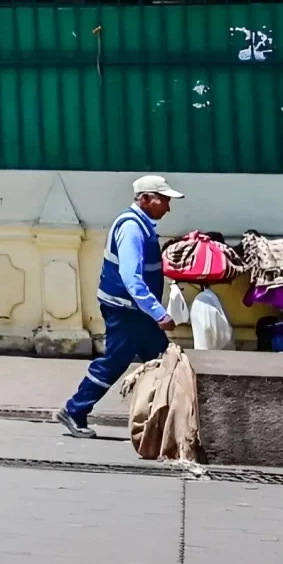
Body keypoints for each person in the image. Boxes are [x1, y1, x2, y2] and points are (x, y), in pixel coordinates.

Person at [58, 175, 181, 438]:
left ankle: (165, 418)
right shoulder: (132, 228)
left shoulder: (142, 225)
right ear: (146, 199)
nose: (168, 208)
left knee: (162, 360)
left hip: (136, 311)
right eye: (165, 201)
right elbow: (131, 278)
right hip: (127, 311)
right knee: (116, 362)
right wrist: (159, 314)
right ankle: (74, 409)